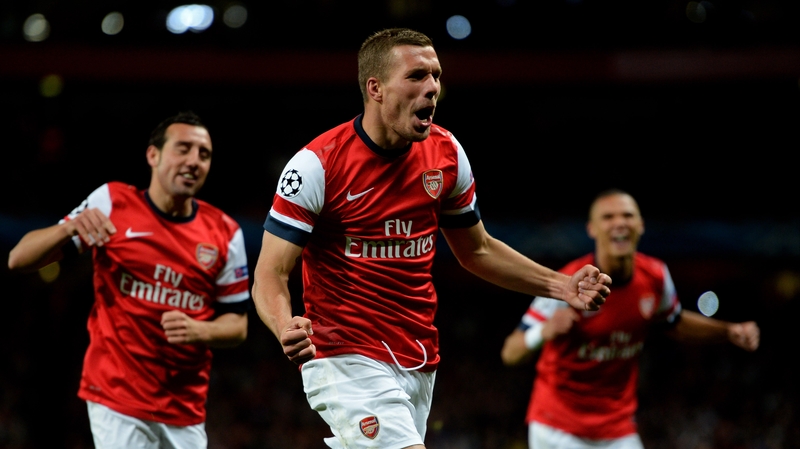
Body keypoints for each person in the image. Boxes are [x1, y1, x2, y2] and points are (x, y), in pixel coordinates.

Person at [250, 27, 612, 449]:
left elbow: (477, 250)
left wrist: (560, 286)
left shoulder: (446, 154)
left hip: (419, 356)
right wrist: (283, 325)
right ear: (376, 88)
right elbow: (270, 271)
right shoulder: (316, 166)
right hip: (343, 353)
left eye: (436, 76)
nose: (432, 89)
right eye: (417, 76)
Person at [7, 111, 251, 449]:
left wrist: (202, 330)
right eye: (183, 148)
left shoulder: (226, 233)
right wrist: (68, 227)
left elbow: (237, 325)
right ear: (153, 155)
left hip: (185, 409)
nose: (194, 161)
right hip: (116, 398)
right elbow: (18, 259)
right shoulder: (112, 203)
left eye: (204, 154)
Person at [500, 188, 761, 449]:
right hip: (556, 427)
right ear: (592, 229)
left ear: (640, 225)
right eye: (608, 217)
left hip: (617, 427)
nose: (619, 223)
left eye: (627, 215)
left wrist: (728, 331)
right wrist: (543, 332)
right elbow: (510, 352)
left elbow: (675, 323)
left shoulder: (656, 277)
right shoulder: (567, 284)